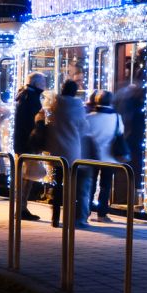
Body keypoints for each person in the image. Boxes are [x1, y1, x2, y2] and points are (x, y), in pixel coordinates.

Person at [47, 80, 88, 228]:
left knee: (57, 184)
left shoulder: (55, 104)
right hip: (72, 149)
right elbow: (83, 127)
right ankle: (69, 218)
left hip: (56, 149)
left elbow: (49, 121)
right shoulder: (78, 106)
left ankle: (55, 218)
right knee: (71, 186)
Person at [84, 90, 125, 223]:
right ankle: (102, 214)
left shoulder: (89, 117)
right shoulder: (116, 117)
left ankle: (86, 212)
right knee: (105, 186)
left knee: (90, 185)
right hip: (109, 157)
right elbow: (120, 132)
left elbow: (84, 134)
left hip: (92, 156)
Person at [13, 73, 47, 220]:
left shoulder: (25, 95)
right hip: (28, 144)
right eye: (43, 81)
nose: (45, 84)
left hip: (23, 143)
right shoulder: (31, 98)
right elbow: (31, 123)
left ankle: (22, 208)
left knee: (26, 176)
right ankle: (21, 209)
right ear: (36, 83)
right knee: (27, 177)